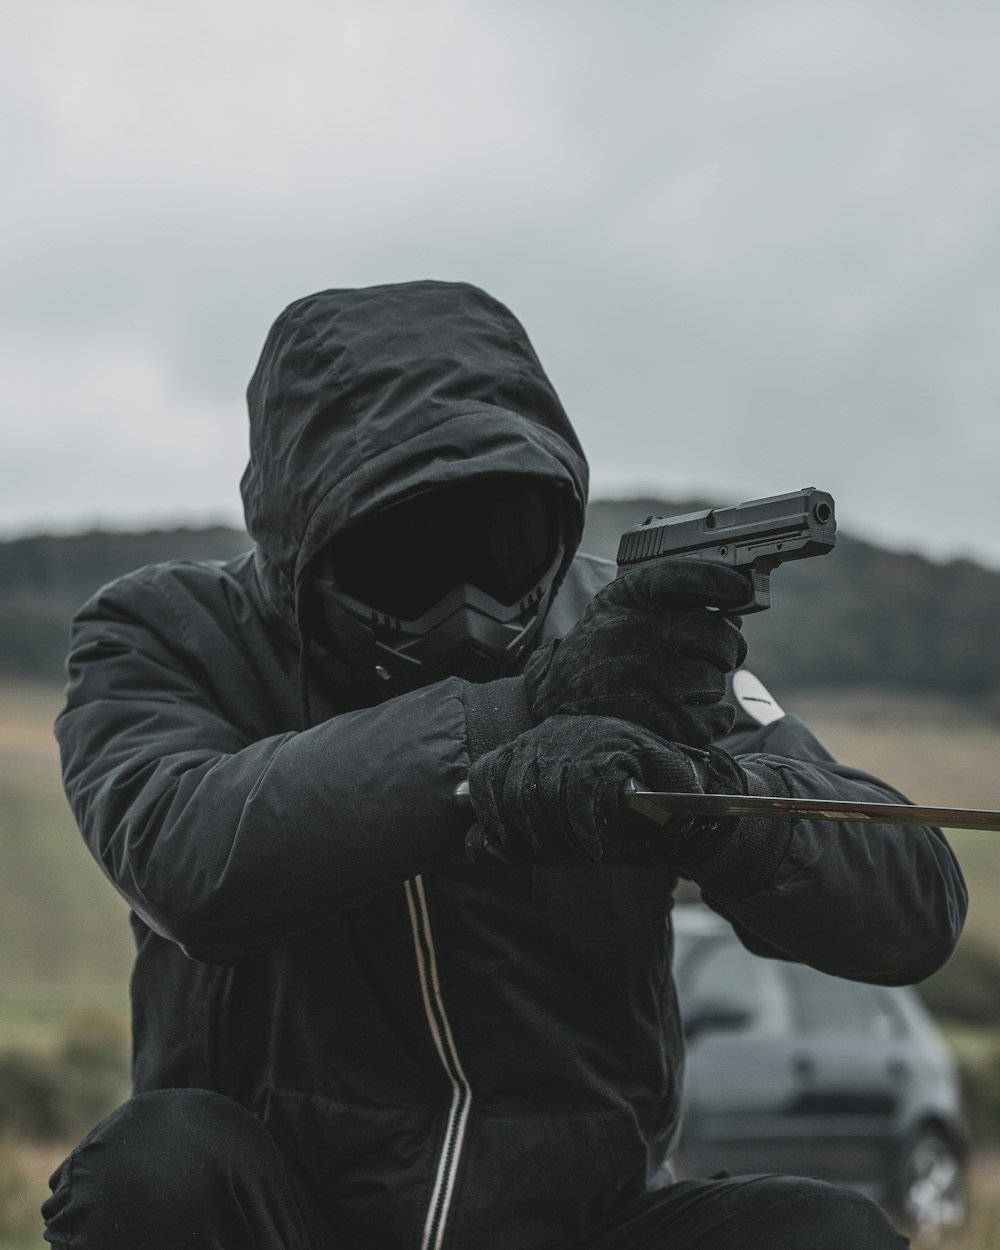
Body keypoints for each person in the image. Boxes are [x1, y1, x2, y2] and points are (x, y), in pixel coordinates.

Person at [43, 280, 965, 1249]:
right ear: (303, 540)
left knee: (822, 1233)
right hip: (286, 1223)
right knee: (155, 1170)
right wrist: (514, 718)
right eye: (407, 557)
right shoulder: (163, 634)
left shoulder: (633, 647)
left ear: (559, 515)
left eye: (506, 547)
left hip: (582, 1224)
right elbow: (187, 857)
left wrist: (707, 805)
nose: (470, 613)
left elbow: (915, 906)